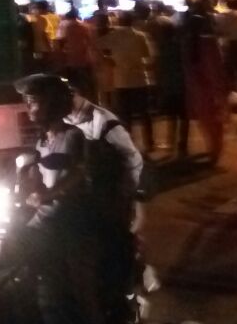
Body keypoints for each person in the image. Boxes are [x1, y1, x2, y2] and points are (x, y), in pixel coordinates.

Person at [15, 74, 101, 324]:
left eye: (33, 102)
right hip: (46, 217)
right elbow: (34, 173)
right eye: (26, 102)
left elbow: (79, 172)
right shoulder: (42, 140)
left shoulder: (73, 136)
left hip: (71, 218)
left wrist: (49, 194)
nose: (28, 107)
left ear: (51, 102)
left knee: (80, 286)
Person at [62, 79, 146, 324]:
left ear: (75, 95)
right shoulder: (67, 122)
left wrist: (130, 198)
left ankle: (128, 308)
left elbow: (133, 160)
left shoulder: (105, 123)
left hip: (111, 204)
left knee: (116, 256)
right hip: (88, 205)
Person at [96, 9, 156, 152]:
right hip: (140, 79)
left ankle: (128, 143)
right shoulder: (140, 36)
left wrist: (107, 60)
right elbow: (148, 56)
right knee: (144, 114)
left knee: (125, 115)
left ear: (119, 21)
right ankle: (149, 143)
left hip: (121, 80)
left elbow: (96, 46)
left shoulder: (113, 36)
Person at [183, 0, 226, 162]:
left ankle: (213, 149)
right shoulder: (208, 43)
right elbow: (216, 65)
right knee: (214, 121)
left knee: (207, 121)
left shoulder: (190, 44)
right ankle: (215, 150)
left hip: (199, 87)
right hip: (209, 86)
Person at [148, 2, 188, 155]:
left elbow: (159, 66)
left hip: (169, 84)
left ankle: (171, 143)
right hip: (182, 83)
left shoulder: (163, 48)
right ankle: (182, 144)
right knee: (183, 116)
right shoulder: (181, 44)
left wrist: (158, 83)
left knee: (172, 115)